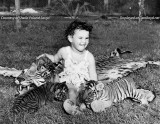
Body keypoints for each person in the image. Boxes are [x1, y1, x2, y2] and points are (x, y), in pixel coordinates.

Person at [37, 20, 97, 114]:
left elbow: (93, 75)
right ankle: (72, 106)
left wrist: (93, 87)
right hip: (68, 81)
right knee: (71, 91)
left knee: (85, 93)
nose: (84, 41)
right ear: (70, 38)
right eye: (80, 38)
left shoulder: (89, 57)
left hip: (82, 83)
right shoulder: (64, 51)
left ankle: (85, 103)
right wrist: (46, 55)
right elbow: (54, 59)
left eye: (86, 38)